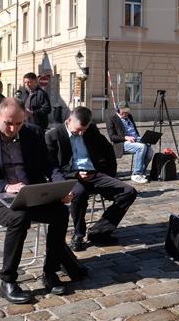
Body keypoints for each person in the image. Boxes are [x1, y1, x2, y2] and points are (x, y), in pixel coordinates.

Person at [0, 98, 86, 304]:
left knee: (60, 212)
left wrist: (60, 186)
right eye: (8, 123)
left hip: (29, 193)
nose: (13, 128)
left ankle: (50, 271)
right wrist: (4, 186)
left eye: (18, 123)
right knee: (19, 217)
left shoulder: (33, 133)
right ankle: (8, 281)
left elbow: (50, 165)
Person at [46, 107, 137, 251]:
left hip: (94, 174)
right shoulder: (53, 136)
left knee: (129, 191)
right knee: (79, 193)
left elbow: (108, 150)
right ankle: (78, 233)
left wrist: (108, 173)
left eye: (84, 129)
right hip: (70, 177)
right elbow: (53, 167)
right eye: (78, 130)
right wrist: (76, 175)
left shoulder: (91, 130)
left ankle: (99, 231)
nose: (81, 133)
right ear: (69, 121)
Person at [107, 101, 154, 184]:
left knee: (150, 151)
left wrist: (142, 139)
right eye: (123, 112)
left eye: (127, 112)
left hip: (136, 140)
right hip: (122, 143)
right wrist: (125, 137)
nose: (126, 114)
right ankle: (136, 174)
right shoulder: (112, 119)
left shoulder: (130, 117)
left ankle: (142, 171)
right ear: (118, 110)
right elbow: (112, 137)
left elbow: (134, 131)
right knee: (141, 147)